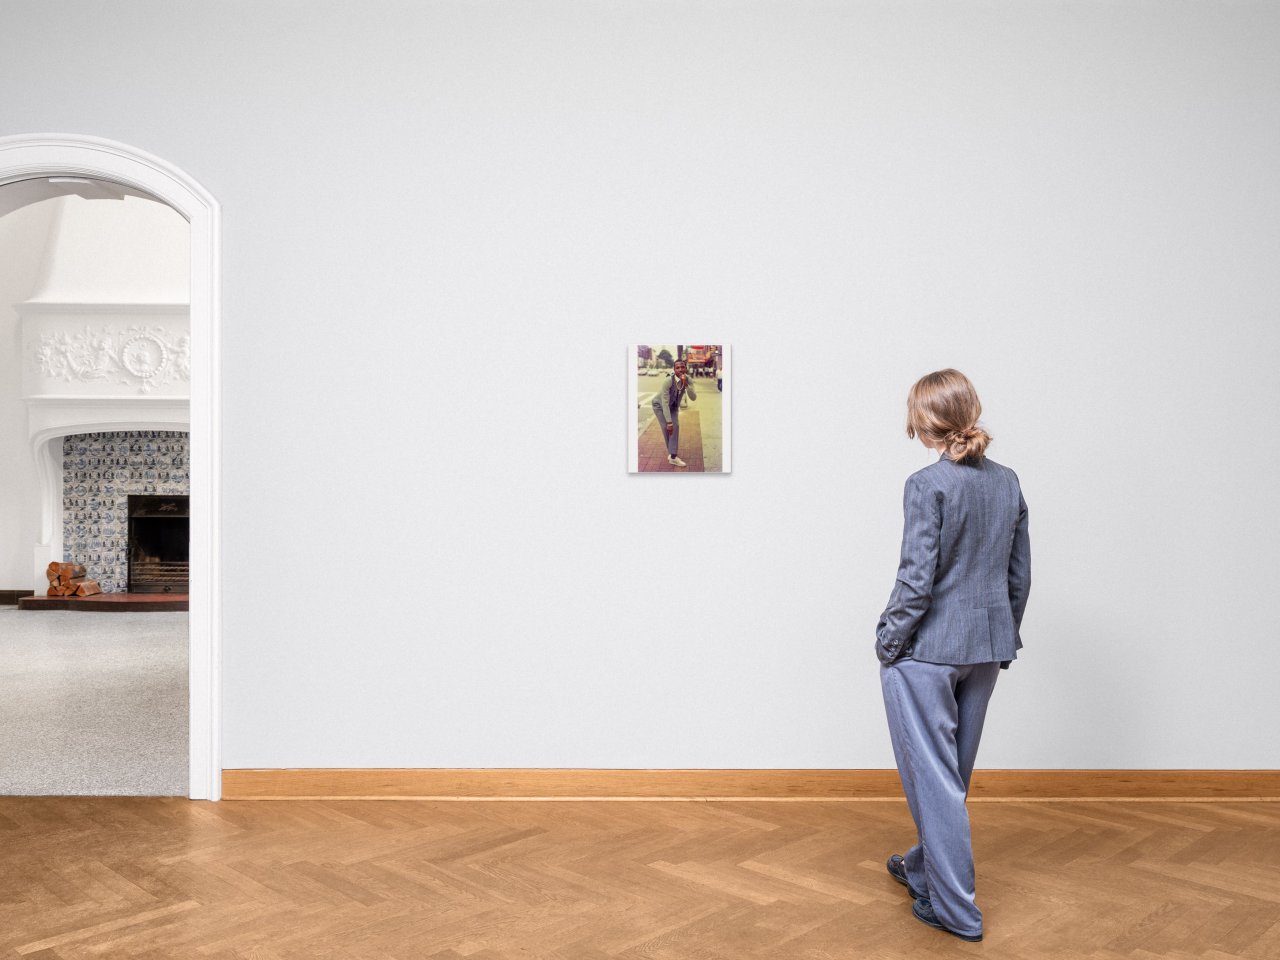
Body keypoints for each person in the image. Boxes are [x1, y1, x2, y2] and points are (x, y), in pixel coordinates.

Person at [876, 368, 1030, 943]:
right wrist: (1003, 638)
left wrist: (889, 642)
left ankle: (955, 910)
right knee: (952, 778)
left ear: (925, 422)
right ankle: (921, 868)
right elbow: (1019, 575)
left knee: (935, 781)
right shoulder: (1008, 481)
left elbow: (916, 580)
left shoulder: (927, 484)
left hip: (927, 651)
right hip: (984, 650)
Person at [651, 359, 696, 467]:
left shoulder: (688, 379)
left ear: (685, 368)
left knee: (676, 427)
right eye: (677, 367)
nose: (680, 369)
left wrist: (686, 385)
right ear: (674, 369)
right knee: (668, 428)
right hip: (660, 406)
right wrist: (669, 422)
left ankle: (672, 454)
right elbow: (665, 403)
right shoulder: (668, 381)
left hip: (673, 407)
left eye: (682, 367)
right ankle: (673, 457)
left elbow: (693, 397)